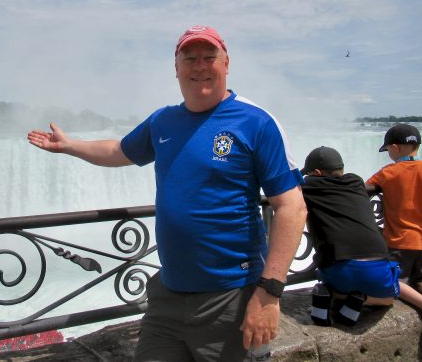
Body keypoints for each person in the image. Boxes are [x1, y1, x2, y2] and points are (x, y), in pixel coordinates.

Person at [27, 25, 308, 361]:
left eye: (209, 57)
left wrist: (269, 293)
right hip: (168, 297)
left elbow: (292, 207)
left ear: (227, 63)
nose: (200, 66)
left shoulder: (256, 123)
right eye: (190, 59)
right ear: (176, 69)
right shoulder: (163, 121)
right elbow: (119, 150)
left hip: (231, 297)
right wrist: (71, 146)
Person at [365, 123, 422, 344]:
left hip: (399, 241)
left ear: (395, 148)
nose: (388, 155)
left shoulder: (388, 173)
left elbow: (363, 188)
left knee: (393, 280)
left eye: (388, 150)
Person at [300, 146, 400, 327]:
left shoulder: (307, 186)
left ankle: (332, 293)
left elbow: (289, 186)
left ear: (316, 172)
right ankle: (357, 299)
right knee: (388, 299)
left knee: (337, 277)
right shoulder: (356, 181)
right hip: (377, 268)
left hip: (336, 268)